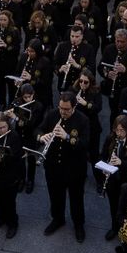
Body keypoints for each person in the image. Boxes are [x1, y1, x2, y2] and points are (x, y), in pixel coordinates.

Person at [39, 90, 90, 243]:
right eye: (61, 108)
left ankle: (78, 224)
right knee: (55, 195)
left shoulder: (83, 120)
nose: (63, 112)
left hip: (74, 168)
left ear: (74, 107)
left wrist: (67, 137)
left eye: (66, 109)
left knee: (76, 198)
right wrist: (42, 137)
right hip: (53, 166)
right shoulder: (53, 114)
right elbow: (39, 129)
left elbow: (85, 144)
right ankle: (58, 219)